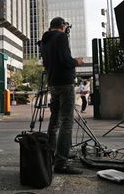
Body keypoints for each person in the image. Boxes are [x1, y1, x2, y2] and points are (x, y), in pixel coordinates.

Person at [40, 17, 84, 174]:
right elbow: (65, 60)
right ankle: (61, 162)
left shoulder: (44, 41)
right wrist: (77, 62)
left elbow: (46, 63)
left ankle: (52, 153)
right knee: (66, 121)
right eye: (65, 26)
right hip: (65, 83)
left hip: (53, 83)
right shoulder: (62, 36)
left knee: (54, 120)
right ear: (62, 26)